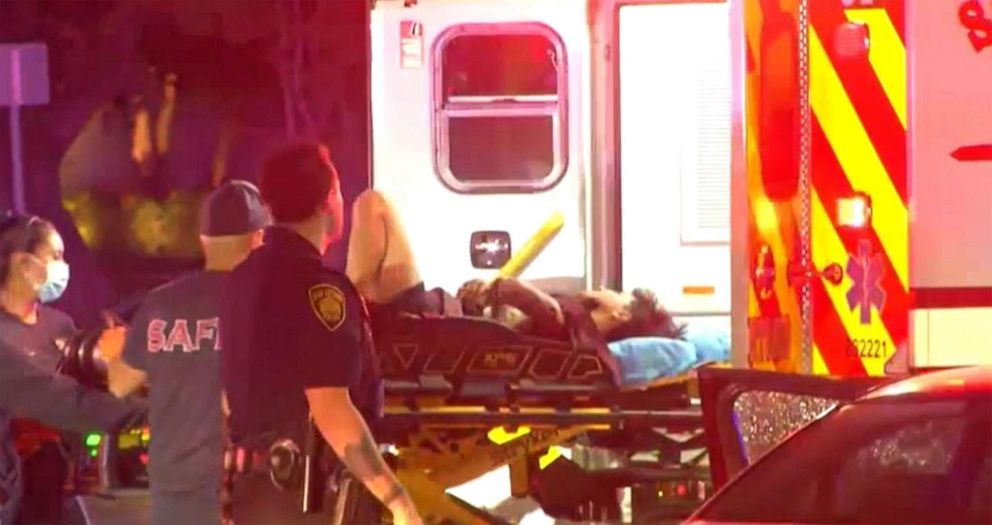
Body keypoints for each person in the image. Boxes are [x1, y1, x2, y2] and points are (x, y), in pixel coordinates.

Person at [220, 143, 424, 525]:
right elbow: (331, 409)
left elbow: (227, 400)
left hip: (254, 494)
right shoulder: (320, 290)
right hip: (309, 497)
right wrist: (396, 499)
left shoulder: (239, 281)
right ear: (327, 201)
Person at [104, 180, 270, 525]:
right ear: (258, 239)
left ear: (203, 240)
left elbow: (119, 383)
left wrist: (114, 346)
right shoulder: (267, 304)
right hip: (242, 493)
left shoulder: (160, 303)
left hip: (172, 494)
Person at [344, 189, 685, 343]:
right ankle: (348, 317)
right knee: (373, 213)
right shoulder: (578, 341)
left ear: (622, 314)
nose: (609, 290)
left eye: (620, 296)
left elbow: (546, 311)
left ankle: (345, 322)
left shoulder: (576, 327)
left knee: (375, 206)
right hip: (440, 318)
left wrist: (501, 288)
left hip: (428, 320)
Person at [0, 212, 146, 524]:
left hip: (60, 483)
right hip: (13, 489)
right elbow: (64, 401)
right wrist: (161, 408)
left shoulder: (59, 325)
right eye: (55, 256)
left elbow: (88, 387)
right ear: (24, 265)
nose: (62, 266)